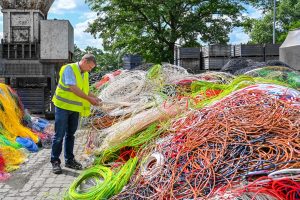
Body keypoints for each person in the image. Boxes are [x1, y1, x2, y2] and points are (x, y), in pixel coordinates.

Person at [51, 53, 100, 174]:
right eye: (90, 67)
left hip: (74, 109)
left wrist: (96, 98)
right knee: (59, 135)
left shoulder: (85, 74)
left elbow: (86, 91)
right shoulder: (69, 68)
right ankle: (55, 161)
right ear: (84, 61)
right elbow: (73, 87)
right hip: (62, 106)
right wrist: (90, 100)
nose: (90, 69)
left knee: (71, 135)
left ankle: (69, 160)